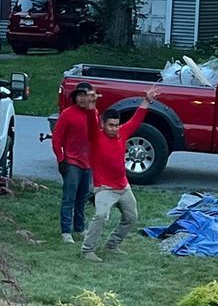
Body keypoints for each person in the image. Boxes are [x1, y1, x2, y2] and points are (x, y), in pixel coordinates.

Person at [82, 97, 150, 261]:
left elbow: (136, 119)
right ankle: (87, 250)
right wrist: (92, 106)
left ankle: (112, 244)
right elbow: (91, 122)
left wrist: (147, 100)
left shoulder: (122, 133)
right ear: (103, 125)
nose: (114, 129)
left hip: (123, 187)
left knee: (131, 217)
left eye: (116, 125)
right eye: (110, 125)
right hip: (105, 188)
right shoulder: (96, 137)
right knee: (100, 216)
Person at [51, 82, 99, 243]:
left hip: (88, 163)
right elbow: (57, 138)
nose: (83, 99)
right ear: (75, 97)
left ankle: (80, 227)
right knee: (69, 197)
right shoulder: (67, 114)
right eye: (80, 95)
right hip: (71, 162)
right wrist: (61, 158)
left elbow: (94, 135)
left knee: (82, 197)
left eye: (86, 95)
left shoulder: (94, 113)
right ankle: (66, 231)